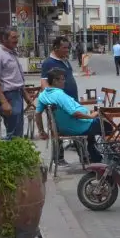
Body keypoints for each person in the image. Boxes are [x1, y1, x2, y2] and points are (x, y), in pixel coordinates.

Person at [35, 68, 104, 163]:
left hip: (65, 127)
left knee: (94, 131)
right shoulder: (59, 95)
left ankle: (94, 156)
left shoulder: (43, 95)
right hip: (77, 127)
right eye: (62, 79)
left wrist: (41, 131)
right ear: (55, 81)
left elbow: (37, 114)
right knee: (108, 126)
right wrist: (91, 116)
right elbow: (75, 114)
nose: (64, 82)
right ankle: (107, 155)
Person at [0, 27, 33, 139]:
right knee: (13, 134)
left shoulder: (12, 53)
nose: (16, 40)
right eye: (13, 37)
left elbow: (16, 78)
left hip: (17, 95)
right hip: (8, 97)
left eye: (17, 37)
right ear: (4, 38)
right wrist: (4, 102)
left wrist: (26, 95)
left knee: (18, 133)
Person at [41, 36, 79, 166]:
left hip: (71, 101)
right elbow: (44, 82)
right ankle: (58, 157)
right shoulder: (49, 63)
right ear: (56, 48)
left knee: (76, 126)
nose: (67, 50)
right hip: (60, 103)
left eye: (68, 47)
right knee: (57, 129)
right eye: (64, 48)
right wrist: (52, 98)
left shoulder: (65, 60)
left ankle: (84, 155)